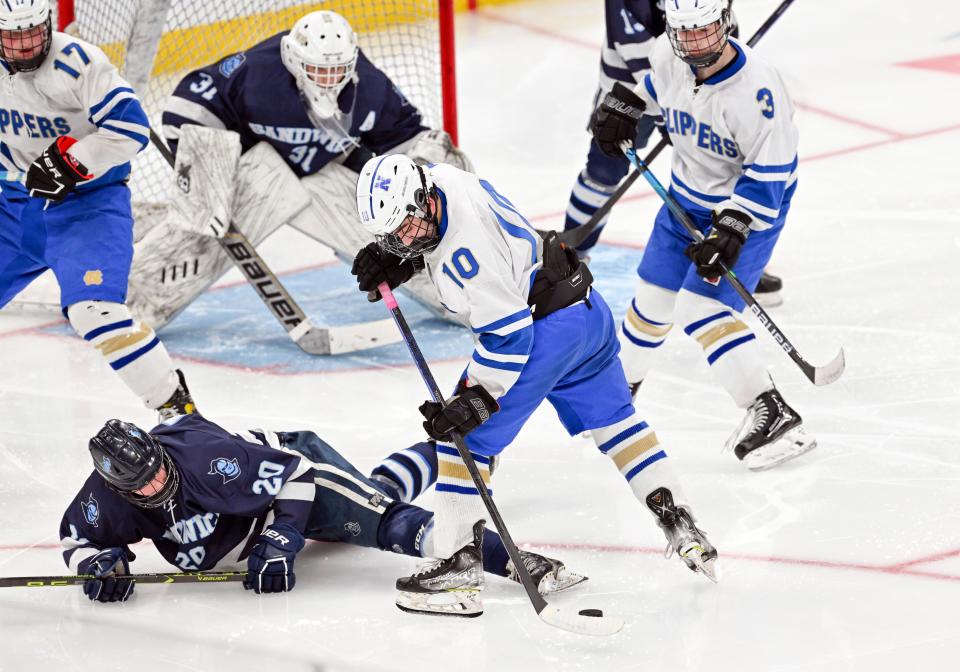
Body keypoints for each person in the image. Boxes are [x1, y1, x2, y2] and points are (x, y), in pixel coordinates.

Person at [350, 154, 718, 618]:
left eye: (404, 227)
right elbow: (443, 239)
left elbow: (510, 336)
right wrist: (396, 256)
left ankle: (459, 570)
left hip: (543, 333)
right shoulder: (442, 178)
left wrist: (476, 402)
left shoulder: (466, 259)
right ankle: (677, 517)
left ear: (423, 200)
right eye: (391, 235)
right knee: (617, 424)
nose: (402, 240)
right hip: (586, 310)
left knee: (462, 440)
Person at [132, 9, 468, 329]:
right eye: (319, 70)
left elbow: (405, 137)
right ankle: (132, 299)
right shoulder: (258, 73)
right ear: (294, 58)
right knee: (202, 221)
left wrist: (427, 174)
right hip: (254, 175)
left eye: (337, 70)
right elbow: (185, 105)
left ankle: (456, 295)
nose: (328, 79)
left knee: (425, 187)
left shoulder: (370, 87)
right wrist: (207, 175)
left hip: (321, 177)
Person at [589, 0, 816, 471]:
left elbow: (770, 176)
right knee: (652, 297)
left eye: (705, 30)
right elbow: (654, 91)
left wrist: (732, 231)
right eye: (685, 33)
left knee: (701, 308)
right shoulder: (667, 56)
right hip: (685, 197)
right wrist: (625, 106)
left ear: (725, 21)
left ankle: (771, 411)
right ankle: (616, 395)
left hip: (749, 209)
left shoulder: (759, 92)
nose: (696, 43)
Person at [60, 414, 583, 612]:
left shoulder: (206, 459)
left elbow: (295, 474)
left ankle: (521, 561)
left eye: (157, 468)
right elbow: (76, 538)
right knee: (377, 493)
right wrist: (98, 566)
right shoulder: (102, 498)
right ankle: (443, 449)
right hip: (254, 516)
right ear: (115, 487)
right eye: (142, 483)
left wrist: (285, 538)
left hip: (295, 475)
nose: (157, 481)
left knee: (398, 527)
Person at [0, 0, 196, 419]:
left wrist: (74, 161)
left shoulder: (76, 62)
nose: (26, 46)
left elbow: (132, 127)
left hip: (87, 208)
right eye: (13, 37)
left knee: (96, 313)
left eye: (33, 32)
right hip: (13, 204)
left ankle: (178, 411)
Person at [561, 0, 783, 305]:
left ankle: (737, 263)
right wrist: (675, 99)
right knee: (604, 168)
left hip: (703, 73)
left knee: (722, 167)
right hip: (632, 82)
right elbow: (630, 39)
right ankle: (572, 256)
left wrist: (712, 70)